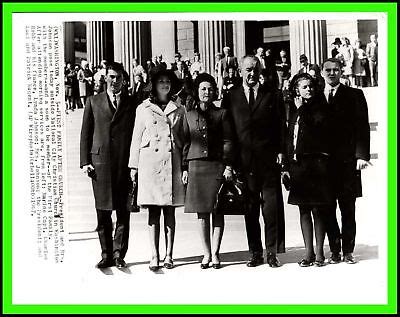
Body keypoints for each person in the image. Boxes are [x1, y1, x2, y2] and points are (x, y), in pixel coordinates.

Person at [222, 55, 286, 268]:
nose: (252, 74)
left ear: (261, 71)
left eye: (255, 70)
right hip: (244, 163)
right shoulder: (231, 96)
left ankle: (271, 252)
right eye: (248, 69)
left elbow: (280, 127)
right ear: (240, 71)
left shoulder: (272, 95)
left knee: (271, 209)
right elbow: (228, 132)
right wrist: (229, 163)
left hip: (268, 162)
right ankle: (255, 252)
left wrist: (281, 152)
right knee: (250, 209)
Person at [80, 62, 136, 269]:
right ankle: (106, 254)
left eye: (119, 77)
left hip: (123, 164)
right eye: (111, 77)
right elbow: (86, 133)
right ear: (105, 78)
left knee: (123, 211)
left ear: (124, 79)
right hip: (100, 165)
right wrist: (85, 161)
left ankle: (119, 253)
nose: (115, 81)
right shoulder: (93, 101)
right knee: (102, 211)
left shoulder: (131, 103)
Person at [129, 69, 186, 271]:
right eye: (161, 81)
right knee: (153, 212)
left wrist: (185, 165)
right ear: (153, 85)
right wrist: (133, 166)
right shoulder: (143, 108)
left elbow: (184, 139)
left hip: (172, 164)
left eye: (168, 82)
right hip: (149, 166)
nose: (165, 85)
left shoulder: (179, 109)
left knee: (170, 213)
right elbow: (136, 139)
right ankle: (154, 255)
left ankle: (169, 255)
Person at [319, 58, 371, 265]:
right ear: (322, 72)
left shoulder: (354, 95)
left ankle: (348, 250)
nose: (332, 73)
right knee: (328, 209)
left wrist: (361, 156)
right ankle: (334, 250)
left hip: (348, 162)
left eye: (336, 70)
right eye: (328, 70)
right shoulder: (315, 97)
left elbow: (362, 128)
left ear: (342, 72)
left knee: (348, 208)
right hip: (324, 165)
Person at [182, 73, 234, 269]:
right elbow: (185, 143)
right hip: (196, 166)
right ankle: (206, 253)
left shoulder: (222, 114)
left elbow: (228, 141)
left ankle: (216, 253)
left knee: (217, 210)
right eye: (203, 88)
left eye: (210, 89)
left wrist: (228, 165)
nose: (207, 92)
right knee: (202, 213)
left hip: (216, 166)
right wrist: (184, 167)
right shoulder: (189, 115)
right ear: (197, 91)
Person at [284, 73, 334, 267]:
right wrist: (286, 166)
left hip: (316, 165)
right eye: (304, 87)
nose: (308, 89)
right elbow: (290, 138)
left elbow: (316, 131)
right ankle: (308, 253)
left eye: (311, 86)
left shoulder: (320, 107)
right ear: (297, 90)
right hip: (299, 167)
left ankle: (320, 253)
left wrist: (302, 109)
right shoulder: (295, 110)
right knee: (303, 209)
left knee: (317, 209)